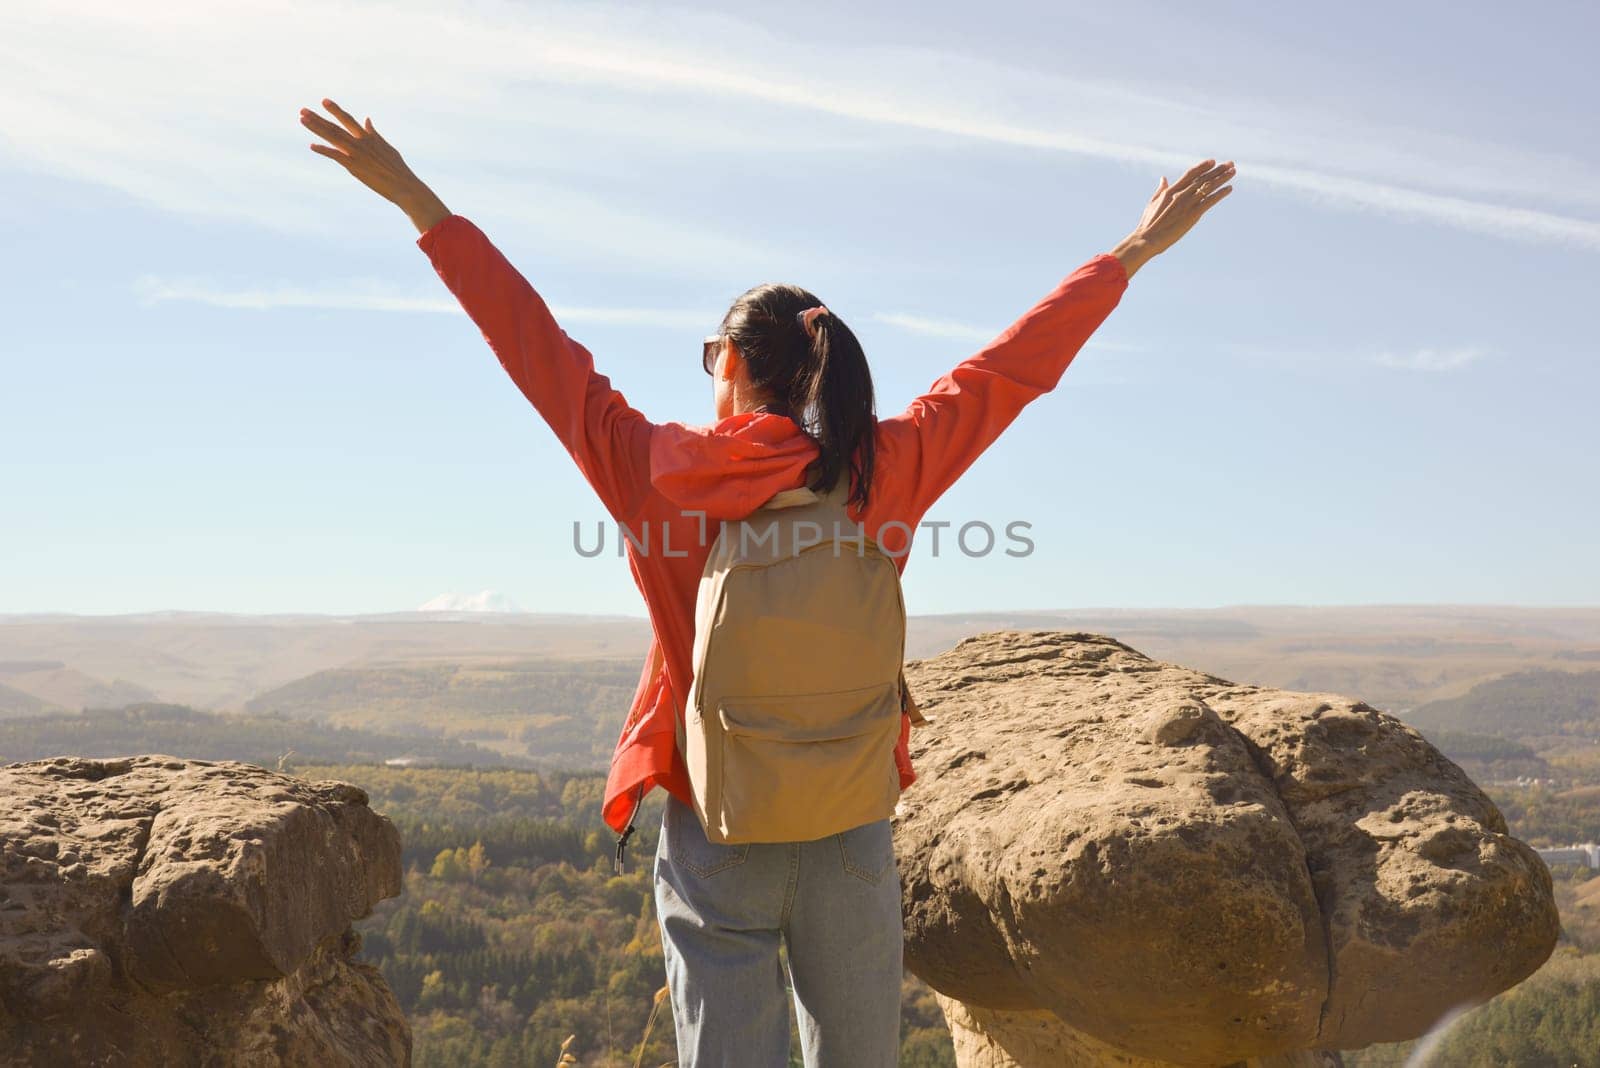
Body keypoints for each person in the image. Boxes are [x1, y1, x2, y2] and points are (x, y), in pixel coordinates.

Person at [300, 97, 1234, 1068]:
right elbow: (1007, 369)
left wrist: (420, 203)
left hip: (719, 822)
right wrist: (1130, 252)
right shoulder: (887, 465)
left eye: (711, 357)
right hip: (850, 820)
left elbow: (538, 350)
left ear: (735, 365)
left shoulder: (653, 466)